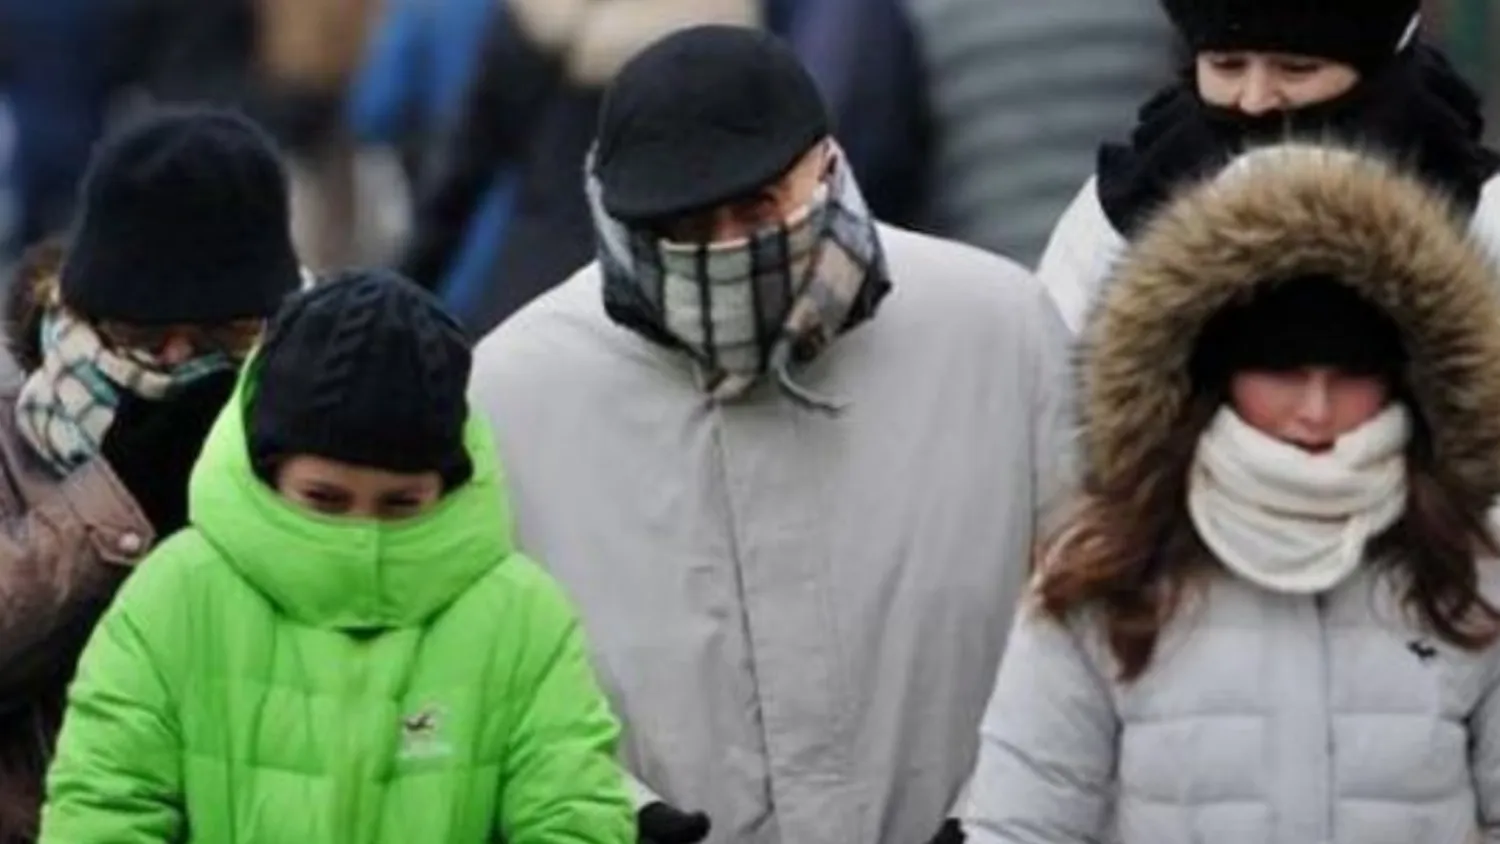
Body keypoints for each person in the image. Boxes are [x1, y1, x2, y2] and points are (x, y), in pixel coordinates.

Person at [469, 25, 1075, 844]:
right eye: (682, 225)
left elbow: (1090, 624)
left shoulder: (999, 333)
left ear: (824, 166)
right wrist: (619, 818)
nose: (726, 248)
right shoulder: (512, 393)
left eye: (757, 207)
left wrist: (997, 827)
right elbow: (485, 678)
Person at [963, 142, 1500, 844]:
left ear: (1404, 376)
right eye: (1280, 372)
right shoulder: (1106, 576)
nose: (1316, 410)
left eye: (1350, 375)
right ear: (1213, 375)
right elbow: (1021, 826)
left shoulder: (1472, 570)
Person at [38, 269, 634, 843]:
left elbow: (574, 817)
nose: (359, 531)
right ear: (270, 470)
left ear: (447, 484)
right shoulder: (174, 597)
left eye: (400, 505)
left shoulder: (523, 618)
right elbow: (103, 812)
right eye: (325, 499)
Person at [0, 106, 300, 844]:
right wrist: (114, 502)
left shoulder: (326, 396)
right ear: (83, 305)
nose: (174, 361)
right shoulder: (13, 411)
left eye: (221, 335)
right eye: (141, 332)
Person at [1037, 0, 1500, 333]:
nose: (1256, 100)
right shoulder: (1120, 213)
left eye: (1296, 69)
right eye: (1227, 66)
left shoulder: (1480, 210)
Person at [400, 0, 757, 335]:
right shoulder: (722, 36)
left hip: (529, 288)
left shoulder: (531, 21)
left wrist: (406, 287)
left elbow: (460, 180)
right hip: (663, 304)